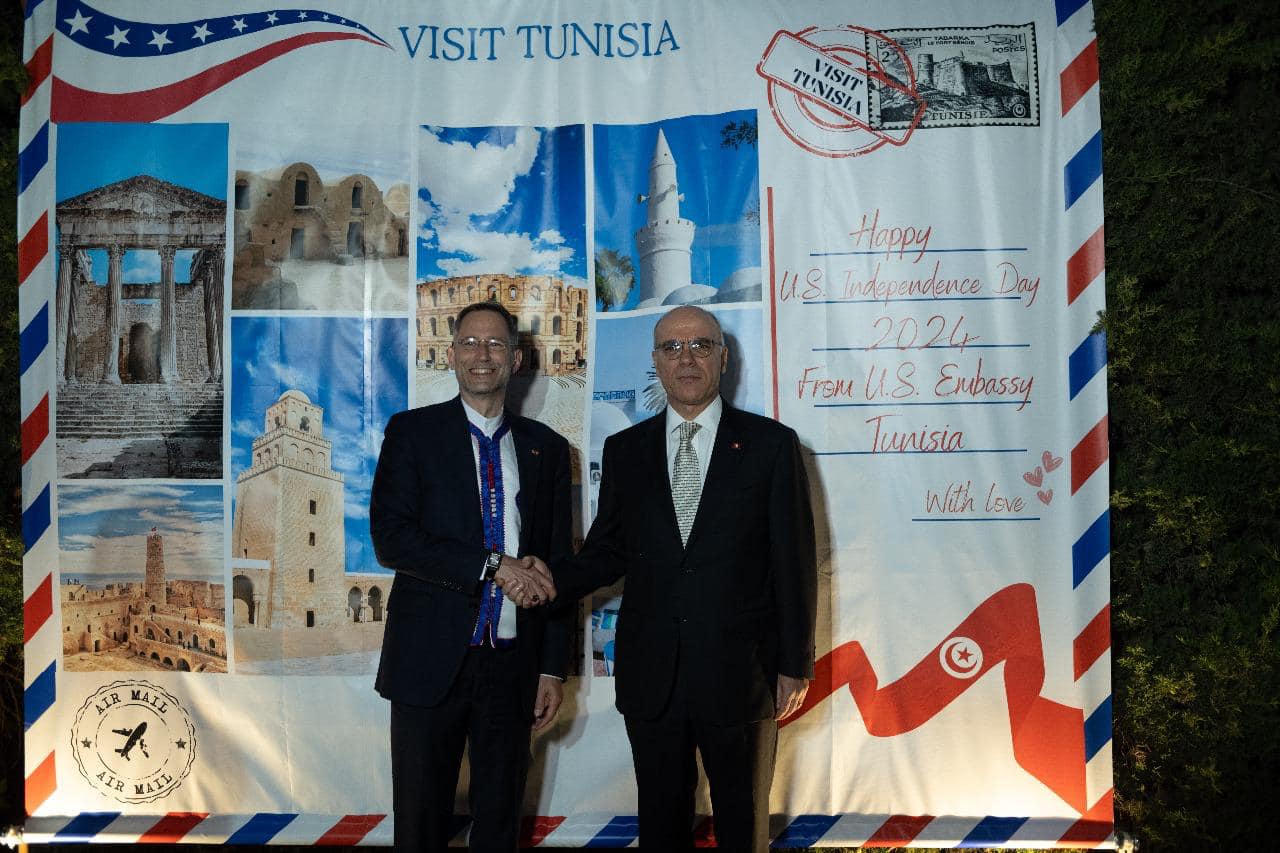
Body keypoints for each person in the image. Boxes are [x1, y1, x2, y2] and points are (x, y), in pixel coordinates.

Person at [552, 305, 817, 852]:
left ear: (724, 357)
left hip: (742, 672)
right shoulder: (625, 450)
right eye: (672, 348)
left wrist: (794, 662)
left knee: (743, 823)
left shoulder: (771, 445)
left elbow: (794, 559)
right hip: (653, 676)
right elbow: (607, 552)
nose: (687, 358)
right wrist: (544, 577)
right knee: (661, 824)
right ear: (655, 361)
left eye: (701, 345)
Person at [370, 300, 570, 852]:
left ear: (516, 360)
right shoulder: (412, 433)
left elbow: (555, 566)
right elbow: (392, 539)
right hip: (428, 659)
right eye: (471, 343)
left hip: (513, 667)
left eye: (496, 344)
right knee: (420, 825)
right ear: (451, 355)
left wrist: (551, 667)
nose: (483, 354)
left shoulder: (548, 449)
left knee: (500, 824)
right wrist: (492, 564)